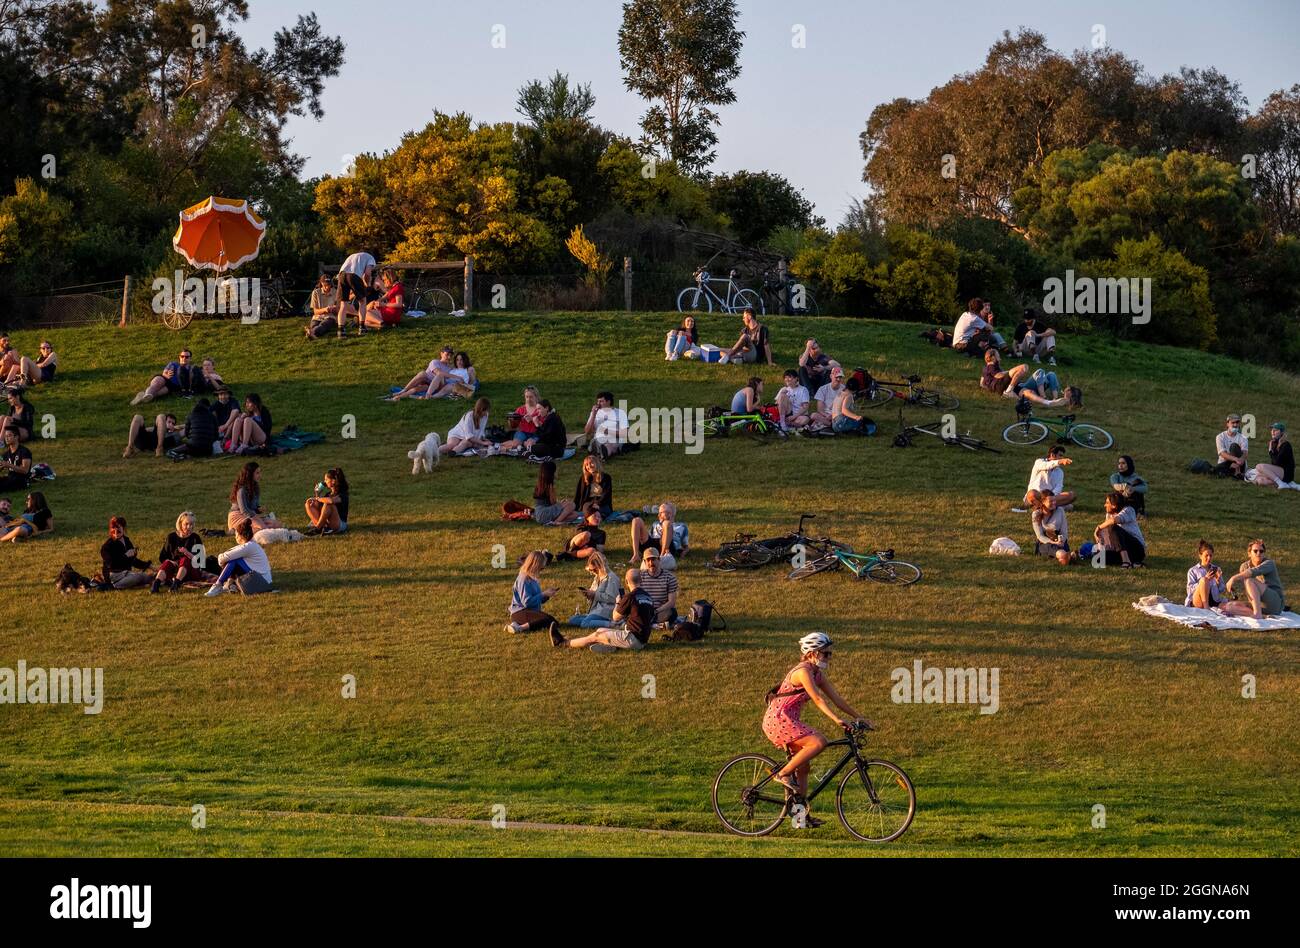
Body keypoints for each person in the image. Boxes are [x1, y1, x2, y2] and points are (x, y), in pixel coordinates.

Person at [763, 632, 869, 820]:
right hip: (778, 720)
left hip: (789, 720)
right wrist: (836, 720)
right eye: (825, 653)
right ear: (812, 653)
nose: (829, 657)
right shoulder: (803, 672)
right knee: (819, 742)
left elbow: (837, 699)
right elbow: (818, 699)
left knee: (803, 769)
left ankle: (799, 818)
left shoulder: (816, 673)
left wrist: (859, 717)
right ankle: (782, 773)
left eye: (830, 653)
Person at [552, 568, 654, 652]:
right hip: (642, 639)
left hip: (632, 639)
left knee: (596, 635)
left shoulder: (630, 597)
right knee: (600, 630)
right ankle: (611, 647)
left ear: (626, 582)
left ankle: (562, 642)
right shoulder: (648, 596)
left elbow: (615, 617)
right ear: (641, 580)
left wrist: (618, 602)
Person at [205, 519, 274, 596]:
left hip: (262, 582)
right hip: (263, 580)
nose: (235, 537)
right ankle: (231, 585)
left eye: (236, 535)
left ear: (240, 536)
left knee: (234, 561)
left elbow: (223, 558)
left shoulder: (248, 547)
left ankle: (218, 586)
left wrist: (222, 561)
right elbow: (229, 554)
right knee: (234, 560)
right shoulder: (251, 545)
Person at [1221, 540, 1287, 618]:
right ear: (1249, 553)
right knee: (1229, 606)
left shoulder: (1269, 563)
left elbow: (1253, 572)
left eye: (1261, 551)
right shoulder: (1244, 566)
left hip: (1275, 603)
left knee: (1249, 580)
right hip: (1258, 603)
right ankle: (1263, 615)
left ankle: (1257, 614)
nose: (1258, 553)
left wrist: (1233, 578)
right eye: (1255, 551)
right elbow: (1247, 588)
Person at [152, 511, 211, 593]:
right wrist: (173, 562)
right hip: (174, 570)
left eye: (192, 524)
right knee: (167, 563)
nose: (189, 527)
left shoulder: (195, 538)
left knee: (184, 560)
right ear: (180, 524)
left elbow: (201, 562)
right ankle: (156, 585)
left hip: (191, 571)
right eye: (186, 524)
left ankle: (175, 585)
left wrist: (188, 553)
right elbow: (162, 557)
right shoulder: (171, 537)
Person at [506, 550, 559, 635]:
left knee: (553, 622)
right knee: (548, 620)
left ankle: (518, 625)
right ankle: (519, 628)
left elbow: (538, 599)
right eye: (541, 567)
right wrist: (543, 594)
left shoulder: (532, 579)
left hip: (530, 611)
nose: (541, 570)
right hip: (520, 612)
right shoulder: (523, 579)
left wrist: (548, 595)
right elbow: (527, 602)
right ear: (535, 566)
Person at [565, 551, 622, 627]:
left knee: (585, 623)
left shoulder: (612, 578)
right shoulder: (597, 578)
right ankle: (594, 621)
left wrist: (595, 594)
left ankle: (612, 624)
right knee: (573, 620)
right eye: (590, 570)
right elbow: (594, 594)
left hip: (606, 611)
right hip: (595, 611)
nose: (592, 572)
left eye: (594, 570)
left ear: (600, 566)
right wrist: (588, 594)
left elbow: (612, 598)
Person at [1093, 491, 1146, 567]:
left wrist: (1098, 527)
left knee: (1112, 527)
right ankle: (1135, 563)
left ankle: (1126, 562)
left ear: (1114, 505)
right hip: (1122, 549)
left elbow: (1114, 520)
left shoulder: (1129, 510)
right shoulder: (1109, 515)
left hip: (1137, 549)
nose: (1105, 505)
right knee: (1099, 558)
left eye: (1107, 503)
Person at [630, 501, 687, 570]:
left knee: (667, 524)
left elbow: (685, 545)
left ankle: (662, 557)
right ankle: (636, 555)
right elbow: (648, 537)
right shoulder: (655, 524)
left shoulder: (681, 526)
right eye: (658, 513)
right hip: (653, 545)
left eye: (661, 513)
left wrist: (684, 552)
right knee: (636, 520)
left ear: (670, 514)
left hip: (668, 547)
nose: (658, 515)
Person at [100, 515, 152, 589]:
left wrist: (150, 566)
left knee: (146, 576)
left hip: (127, 574)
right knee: (139, 577)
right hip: (114, 576)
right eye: (113, 530)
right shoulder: (107, 546)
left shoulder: (126, 541)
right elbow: (111, 564)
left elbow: (134, 561)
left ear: (123, 528)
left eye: (118, 530)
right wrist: (125, 555)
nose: (115, 532)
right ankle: (117, 586)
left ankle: (139, 584)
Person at [228, 461, 280, 533]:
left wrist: (259, 509)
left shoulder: (255, 487)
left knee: (276, 524)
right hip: (238, 516)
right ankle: (237, 529)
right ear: (250, 474)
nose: (260, 475)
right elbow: (244, 510)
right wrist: (257, 518)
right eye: (257, 473)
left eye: (260, 472)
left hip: (250, 515)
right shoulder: (242, 490)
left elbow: (253, 508)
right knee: (263, 529)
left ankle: (248, 530)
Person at [336, 251, 377, 337]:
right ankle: (362, 328)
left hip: (341, 275)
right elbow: (368, 273)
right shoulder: (371, 258)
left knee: (343, 304)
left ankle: (341, 331)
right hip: (354, 276)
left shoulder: (353, 255)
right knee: (362, 301)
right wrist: (367, 284)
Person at [636, 547, 678, 625]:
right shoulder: (639, 576)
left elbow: (671, 602)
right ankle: (653, 623)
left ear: (659, 560)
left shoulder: (670, 577)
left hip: (660, 610)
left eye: (653, 559)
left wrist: (656, 611)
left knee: (672, 613)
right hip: (644, 609)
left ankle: (647, 622)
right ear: (644, 562)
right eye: (648, 560)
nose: (651, 563)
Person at [1025, 444, 1075, 509]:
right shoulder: (1039, 462)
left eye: (1062, 456)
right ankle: (1051, 507)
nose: (1062, 458)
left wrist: (1050, 498)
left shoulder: (1060, 472)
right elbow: (1046, 466)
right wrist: (1060, 461)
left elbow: (1058, 487)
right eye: (1060, 455)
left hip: (1050, 498)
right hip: (1037, 496)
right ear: (1052, 455)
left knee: (1072, 495)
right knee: (1032, 493)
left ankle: (1045, 506)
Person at [1030, 490, 1071, 565]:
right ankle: (1064, 556)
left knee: (1062, 550)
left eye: (1054, 500)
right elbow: (1040, 536)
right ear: (1043, 502)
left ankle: (1064, 557)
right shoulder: (1036, 514)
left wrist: (1062, 541)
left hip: (1060, 541)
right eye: (1051, 501)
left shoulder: (1060, 511)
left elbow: (1064, 531)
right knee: (1060, 553)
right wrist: (1053, 542)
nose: (1054, 503)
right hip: (1045, 543)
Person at [530, 460, 578, 525]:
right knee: (572, 505)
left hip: (538, 515)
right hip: (545, 512)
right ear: (552, 473)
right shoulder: (550, 485)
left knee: (574, 515)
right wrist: (562, 503)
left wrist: (560, 504)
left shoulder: (539, 485)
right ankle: (556, 522)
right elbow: (553, 502)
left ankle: (552, 521)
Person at [584, 391, 628, 459]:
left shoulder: (620, 413)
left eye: (601, 401)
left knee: (610, 444)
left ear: (608, 401)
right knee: (598, 441)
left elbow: (625, 433)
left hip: (615, 439)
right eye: (598, 401)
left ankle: (603, 453)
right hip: (599, 438)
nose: (598, 404)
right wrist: (593, 415)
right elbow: (587, 431)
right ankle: (599, 450)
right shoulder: (595, 413)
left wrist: (608, 431)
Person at [305, 468, 350, 535]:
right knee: (309, 503)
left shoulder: (342, 494)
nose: (324, 482)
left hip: (340, 524)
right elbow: (319, 506)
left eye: (326, 479)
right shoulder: (328, 494)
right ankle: (322, 528)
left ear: (333, 481)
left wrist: (318, 498)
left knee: (328, 504)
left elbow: (331, 501)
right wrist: (317, 493)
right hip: (329, 523)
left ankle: (317, 528)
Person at [1185, 540, 1227, 609]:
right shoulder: (1193, 571)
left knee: (1234, 605)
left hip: (1214, 601)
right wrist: (1203, 581)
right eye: (1206, 555)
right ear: (1200, 556)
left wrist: (1218, 581)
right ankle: (1206, 608)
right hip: (1198, 601)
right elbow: (1189, 590)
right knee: (1204, 580)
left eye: (1210, 555)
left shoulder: (1216, 569)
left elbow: (1222, 590)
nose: (1209, 558)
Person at [1252, 422, 1294, 487]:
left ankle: (1281, 483)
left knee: (1259, 466)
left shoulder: (1286, 445)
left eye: (1276, 430)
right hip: (1279, 471)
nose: (1273, 431)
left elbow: (1276, 462)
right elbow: (1274, 463)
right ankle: (1289, 485)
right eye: (1272, 430)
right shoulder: (1275, 443)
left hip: (1286, 473)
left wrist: (1270, 451)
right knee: (1259, 480)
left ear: (1281, 433)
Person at [304, 272, 342, 338]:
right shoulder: (315, 293)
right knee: (314, 325)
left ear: (331, 284)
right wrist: (325, 310)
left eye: (329, 285)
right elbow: (315, 312)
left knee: (324, 325)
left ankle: (311, 332)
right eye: (325, 285)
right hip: (317, 317)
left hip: (330, 317)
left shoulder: (335, 292)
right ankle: (313, 332)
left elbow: (338, 311)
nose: (327, 287)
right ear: (321, 283)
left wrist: (334, 309)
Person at [1215, 414, 1249, 479]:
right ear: (1227, 424)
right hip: (1226, 463)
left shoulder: (1243, 438)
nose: (1235, 425)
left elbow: (1245, 453)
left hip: (1240, 464)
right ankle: (1233, 473)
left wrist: (1240, 461)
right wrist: (1235, 459)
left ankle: (1236, 472)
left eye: (1237, 422)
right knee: (1214, 471)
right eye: (1233, 423)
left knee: (1234, 446)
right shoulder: (1220, 437)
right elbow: (1222, 453)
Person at [0, 427, 33, 493]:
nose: (6, 438)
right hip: (10, 478)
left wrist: (9, 465)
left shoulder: (24, 451)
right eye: (5, 436)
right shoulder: (6, 454)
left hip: (21, 481)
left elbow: (25, 470)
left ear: (16, 437)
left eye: (9, 436)